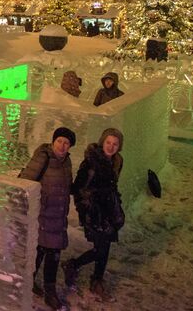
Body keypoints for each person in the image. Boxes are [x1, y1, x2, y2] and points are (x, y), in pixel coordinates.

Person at [63, 128, 125, 302]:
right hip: (94, 211)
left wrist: (114, 204)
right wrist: (87, 210)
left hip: (109, 210)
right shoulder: (91, 162)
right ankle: (74, 265)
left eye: (115, 144)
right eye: (108, 142)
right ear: (102, 142)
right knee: (101, 249)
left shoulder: (118, 161)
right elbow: (78, 189)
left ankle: (96, 279)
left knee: (105, 247)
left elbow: (113, 185)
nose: (111, 147)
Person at [19, 127, 76, 310]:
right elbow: (25, 183)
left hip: (58, 217)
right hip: (42, 216)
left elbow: (68, 186)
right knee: (41, 252)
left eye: (66, 143)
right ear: (53, 141)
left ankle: (42, 288)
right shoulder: (43, 157)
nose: (62, 145)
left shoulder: (67, 162)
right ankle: (32, 285)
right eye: (59, 140)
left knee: (51, 253)